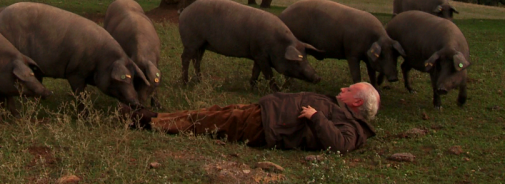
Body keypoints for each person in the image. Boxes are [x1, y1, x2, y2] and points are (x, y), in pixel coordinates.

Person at [124, 82, 379, 153]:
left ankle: (145, 122)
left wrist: (316, 117)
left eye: (349, 90)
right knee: (212, 113)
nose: (343, 89)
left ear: (357, 101)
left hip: (268, 126)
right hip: (265, 112)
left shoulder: (353, 127)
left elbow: (341, 144)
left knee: (210, 122)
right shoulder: (341, 110)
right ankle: (154, 115)